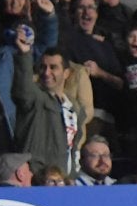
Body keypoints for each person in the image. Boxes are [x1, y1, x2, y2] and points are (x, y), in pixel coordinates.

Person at [11, 39, 84, 178]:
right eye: (43, 67)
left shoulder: (74, 108)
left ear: (66, 73)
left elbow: (73, 149)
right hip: (38, 181)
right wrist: (24, 55)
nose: (46, 72)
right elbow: (23, 90)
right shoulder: (36, 98)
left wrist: (73, 176)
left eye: (53, 67)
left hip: (64, 183)